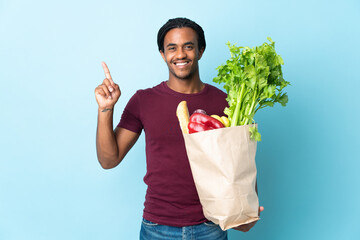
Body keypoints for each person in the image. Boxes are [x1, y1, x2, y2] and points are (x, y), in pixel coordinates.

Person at [94, 17, 264, 240]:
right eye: (172, 48)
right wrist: (105, 109)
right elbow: (109, 159)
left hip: (211, 226)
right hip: (157, 227)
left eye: (189, 46)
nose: (181, 54)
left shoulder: (227, 102)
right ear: (163, 54)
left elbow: (241, 158)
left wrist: (245, 210)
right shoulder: (144, 100)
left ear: (201, 51)